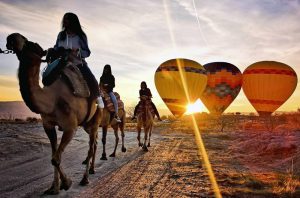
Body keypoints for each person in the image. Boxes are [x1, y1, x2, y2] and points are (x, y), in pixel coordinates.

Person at [48, 12, 103, 107]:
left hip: (77, 63)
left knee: (90, 77)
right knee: (48, 75)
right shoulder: (61, 35)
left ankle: (98, 97)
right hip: (61, 63)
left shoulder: (81, 36)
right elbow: (56, 47)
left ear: (73, 21)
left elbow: (87, 52)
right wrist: (53, 50)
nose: (65, 21)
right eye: (64, 19)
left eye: (67, 19)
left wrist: (77, 51)